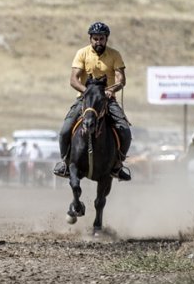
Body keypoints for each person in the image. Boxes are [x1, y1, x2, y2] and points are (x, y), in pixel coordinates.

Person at [52, 21, 133, 181]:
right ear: (90, 39)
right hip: (85, 101)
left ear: (106, 39)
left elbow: (120, 79)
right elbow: (74, 80)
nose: (98, 42)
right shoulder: (82, 53)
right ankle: (65, 163)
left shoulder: (114, 55)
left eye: (101, 39)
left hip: (108, 100)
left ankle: (117, 165)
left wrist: (110, 90)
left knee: (125, 130)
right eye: (95, 39)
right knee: (65, 130)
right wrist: (89, 92)